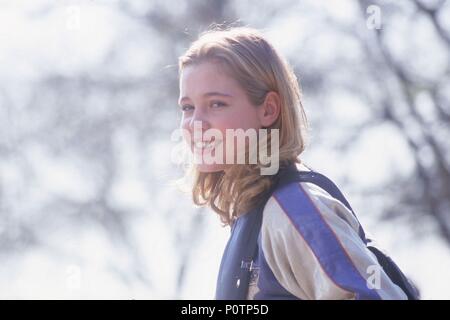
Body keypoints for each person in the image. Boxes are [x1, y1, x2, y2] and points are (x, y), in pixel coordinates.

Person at [177, 26, 409, 300]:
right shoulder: (254, 213)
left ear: (268, 109)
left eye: (216, 104)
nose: (196, 124)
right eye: (187, 108)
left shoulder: (295, 209)